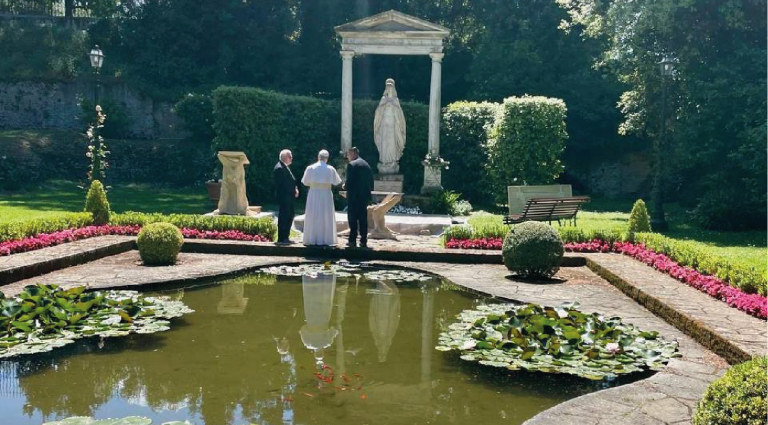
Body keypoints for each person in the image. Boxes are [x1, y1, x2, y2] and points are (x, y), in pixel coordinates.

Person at [301, 150, 342, 246]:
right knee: (326, 215)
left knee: (313, 214)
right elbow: (337, 182)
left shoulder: (310, 168)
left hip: (314, 193)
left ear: (318, 157)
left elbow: (305, 182)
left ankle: (312, 238)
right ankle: (326, 239)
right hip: (326, 194)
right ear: (326, 158)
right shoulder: (331, 169)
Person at [344, 147, 374, 248]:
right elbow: (371, 182)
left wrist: (344, 186)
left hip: (353, 196)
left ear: (353, 153)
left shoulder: (351, 165)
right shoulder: (366, 165)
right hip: (364, 197)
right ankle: (363, 240)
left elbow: (349, 182)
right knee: (363, 219)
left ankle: (352, 240)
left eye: (348, 155)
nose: (348, 157)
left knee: (352, 218)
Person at [273, 149, 299, 244]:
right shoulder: (279, 168)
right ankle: (282, 238)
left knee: (289, 216)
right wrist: (293, 190)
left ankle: (286, 237)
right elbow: (284, 184)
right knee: (284, 217)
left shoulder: (285, 167)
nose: (291, 158)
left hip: (289, 196)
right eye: (290, 156)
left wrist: (295, 188)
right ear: (284, 157)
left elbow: (291, 181)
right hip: (284, 197)